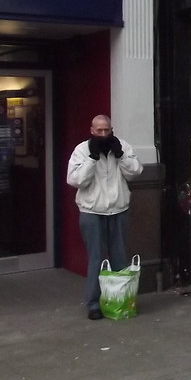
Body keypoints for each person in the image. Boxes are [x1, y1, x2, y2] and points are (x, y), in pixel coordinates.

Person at [66, 115, 143, 320]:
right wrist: (92, 159)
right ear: (91, 130)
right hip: (92, 212)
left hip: (119, 209)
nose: (103, 134)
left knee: (119, 256)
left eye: (106, 130)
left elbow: (136, 172)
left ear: (111, 129)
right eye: (99, 130)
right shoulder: (82, 150)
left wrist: (120, 155)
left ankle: (120, 300)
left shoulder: (122, 146)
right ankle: (93, 304)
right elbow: (75, 180)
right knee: (96, 259)